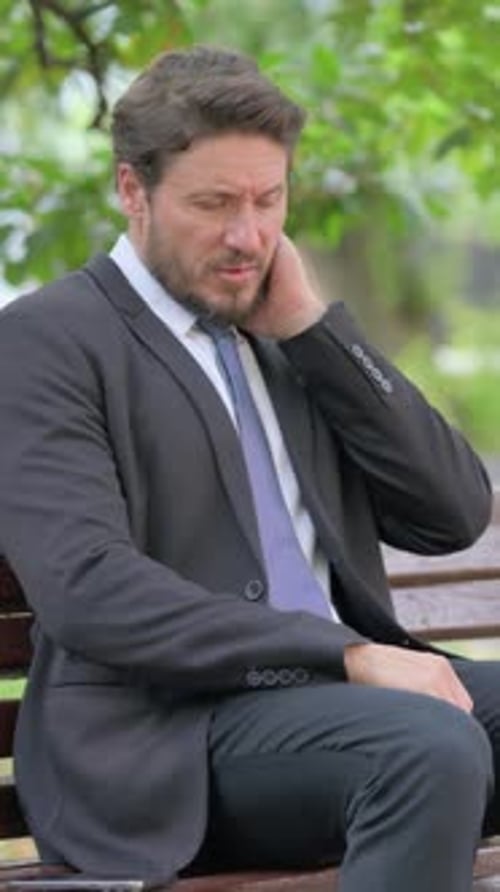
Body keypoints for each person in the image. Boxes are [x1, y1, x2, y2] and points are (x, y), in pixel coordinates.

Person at [0, 45, 498, 892]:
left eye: (270, 200)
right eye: (214, 203)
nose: (249, 236)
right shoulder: (44, 344)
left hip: (327, 720)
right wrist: (343, 653)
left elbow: (450, 512)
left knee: (427, 738)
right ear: (133, 191)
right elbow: (89, 587)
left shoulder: (284, 335)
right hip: (161, 749)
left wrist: (316, 331)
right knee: (424, 748)